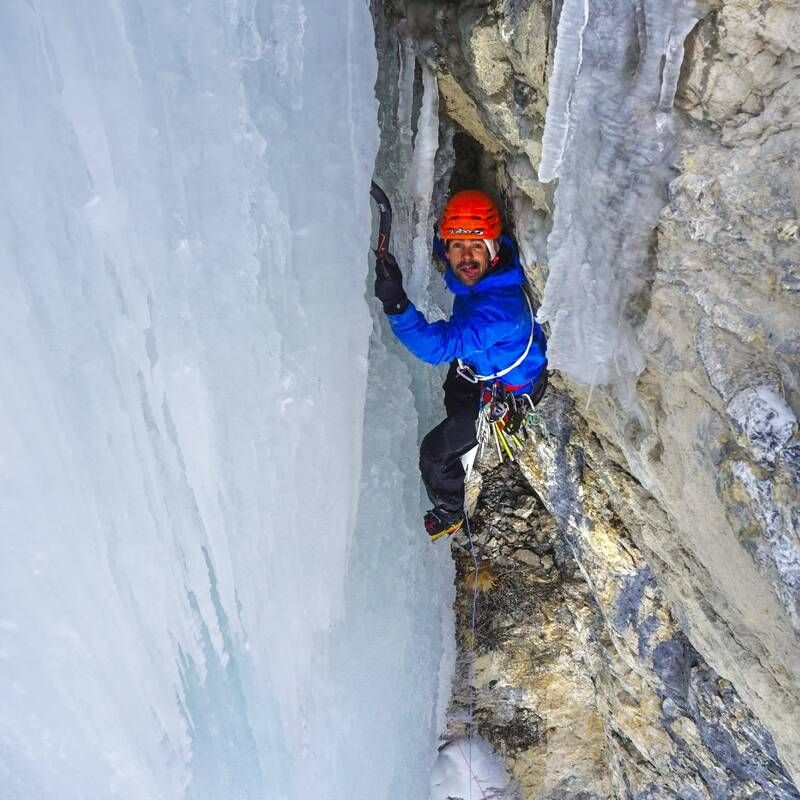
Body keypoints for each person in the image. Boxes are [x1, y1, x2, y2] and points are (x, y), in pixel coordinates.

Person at [374, 189, 548, 541]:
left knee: (434, 454)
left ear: (493, 250)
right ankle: (463, 431)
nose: (466, 257)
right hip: (482, 371)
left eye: (476, 247)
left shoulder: (499, 311)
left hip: (504, 396)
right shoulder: (486, 273)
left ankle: (451, 510)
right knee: (454, 387)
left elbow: (439, 346)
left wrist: (396, 304)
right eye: (457, 246)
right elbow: (454, 250)